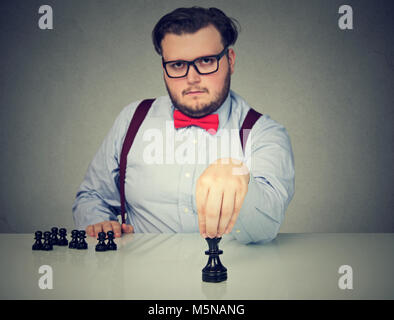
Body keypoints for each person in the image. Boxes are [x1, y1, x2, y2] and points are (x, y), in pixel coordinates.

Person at [72, 7, 295, 244]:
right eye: (178, 65)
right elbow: (92, 196)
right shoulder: (132, 119)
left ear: (230, 61)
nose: (192, 78)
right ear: (164, 70)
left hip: (230, 278)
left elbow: (267, 225)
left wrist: (242, 185)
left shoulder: (263, 132)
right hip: (142, 279)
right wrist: (100, 223)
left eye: (207, 61)